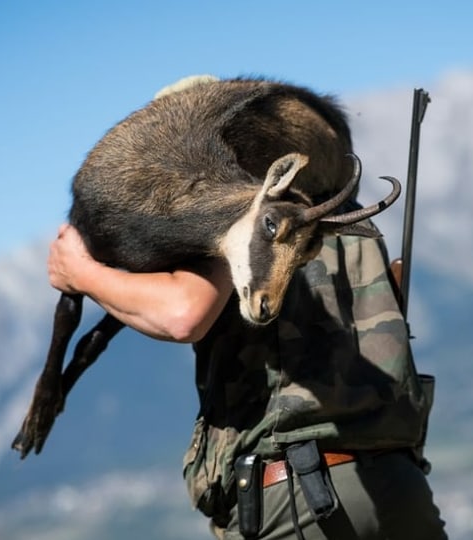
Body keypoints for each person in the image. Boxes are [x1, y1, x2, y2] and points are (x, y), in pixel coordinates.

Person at [46, 93, 447, 540]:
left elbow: (184, 314)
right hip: (399, 487)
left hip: (299, 501)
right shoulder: (348, 223)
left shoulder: (239, 221)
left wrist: (82, 273)